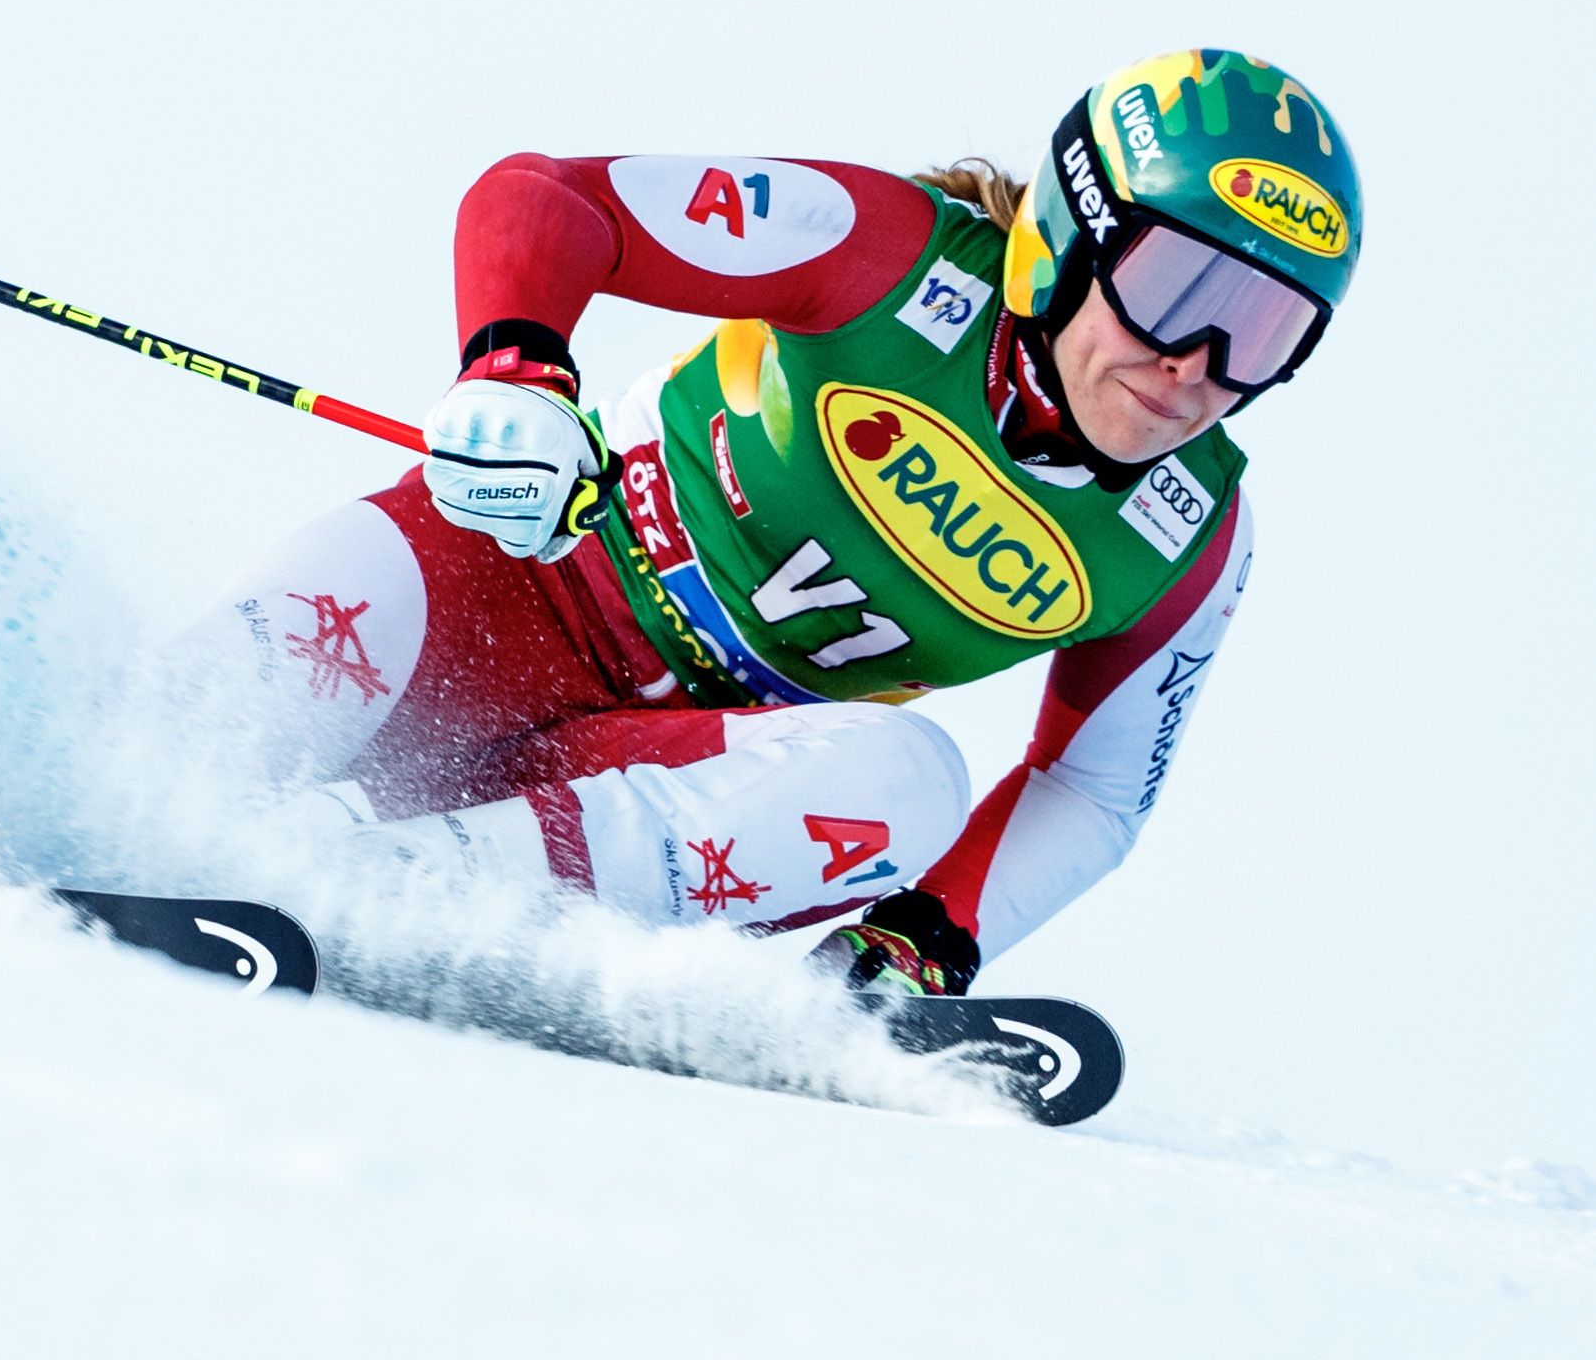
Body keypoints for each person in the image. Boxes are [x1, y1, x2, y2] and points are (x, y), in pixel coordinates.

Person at [191, 50, 1361, 996]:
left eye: (1261, 335)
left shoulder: (1186, 538)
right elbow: (545, 197)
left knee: (908, 777)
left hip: (651, 775)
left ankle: (399, 896)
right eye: (1175, 293)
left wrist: (912, 944)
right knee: (186, 731)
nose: (1195, 366)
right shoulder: (885, 255)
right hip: (500, 594)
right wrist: (514, 372)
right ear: (1063, 240)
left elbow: (1091, 793)